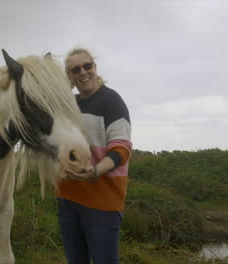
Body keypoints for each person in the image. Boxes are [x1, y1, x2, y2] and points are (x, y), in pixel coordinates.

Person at [57, 47, 132, 264]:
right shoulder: (68, 104)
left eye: (87, 66)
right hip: (68, 200)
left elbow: (121, 149)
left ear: (95, 67)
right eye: (75, 70)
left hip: (102, 203)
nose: (83, 72)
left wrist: (96, 170)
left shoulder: (112, 100)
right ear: (70, 76)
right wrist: (63, 85)